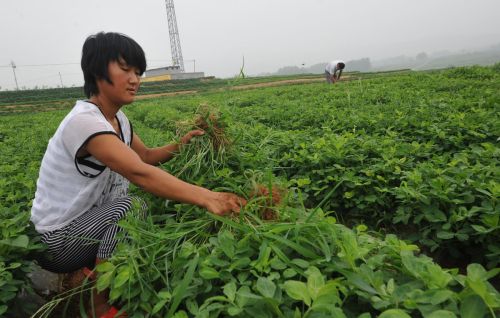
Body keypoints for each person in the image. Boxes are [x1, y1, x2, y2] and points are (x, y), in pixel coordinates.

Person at [30, 31, 246, 317]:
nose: (135, 79)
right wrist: (208, 197)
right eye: (125, 68)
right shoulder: (83, 122)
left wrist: (182, 145)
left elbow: (144, 156)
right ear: (97, 70)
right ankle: (98, 302)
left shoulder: (118, 120)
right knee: (131, 208)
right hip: (56, 242)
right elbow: (138, 171)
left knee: (132, 208)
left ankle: (91, 273)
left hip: (81, 229)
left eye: (138, 72)